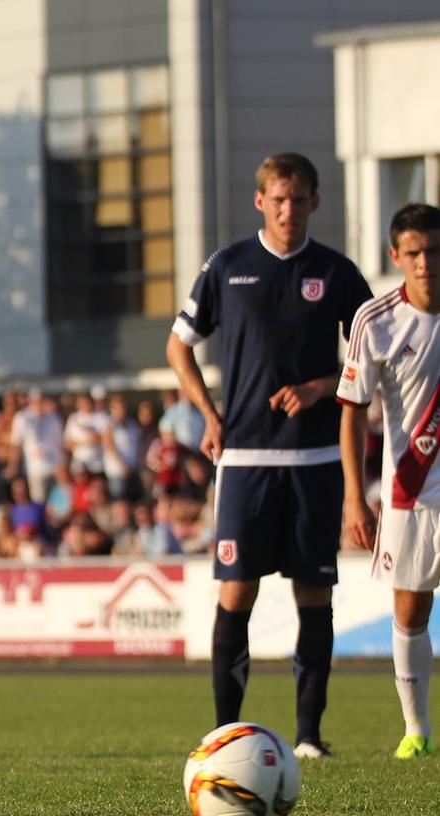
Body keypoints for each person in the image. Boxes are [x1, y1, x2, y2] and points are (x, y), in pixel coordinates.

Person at [166, 152, 372, 758]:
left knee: (315, 595)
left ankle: (308, 736)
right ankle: (224, 733)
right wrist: (207, 412)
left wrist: (320, 386)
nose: (288, 209)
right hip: (245, 461)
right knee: (237, 594)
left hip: (315, 462)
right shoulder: (228, 266)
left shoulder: (336, 273)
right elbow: (179, 347)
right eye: (278, 199)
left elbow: (372, 357)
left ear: (315, 201)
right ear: (260, 201)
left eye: (299, 198)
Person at [338, 203, 440, 760]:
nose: (425, 262)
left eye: (434, 250)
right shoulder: (374, 320)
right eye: (414, 252)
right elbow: (352, 409)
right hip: (411, 493)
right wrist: (355, 495)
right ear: (395, 257)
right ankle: (416, 731)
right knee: (411, 612)